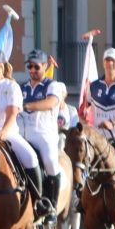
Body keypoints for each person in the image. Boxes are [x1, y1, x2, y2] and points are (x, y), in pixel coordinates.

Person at [0, 49, 46, 215]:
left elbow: (12, 114)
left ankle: (38, 202)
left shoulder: (11, 86)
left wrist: (3, 133)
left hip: (6, 134)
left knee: (31, 157)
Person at [19, 49, 66, 218]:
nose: (32, 70)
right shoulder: (21, 87)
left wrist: (27, 106)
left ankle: (51, 205)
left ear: (45, 66)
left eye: (36, 67)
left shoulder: (51, 85)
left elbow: (51, 102)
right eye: (29, 66)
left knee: (51, 162)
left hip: (43, 134)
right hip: (21, 134)